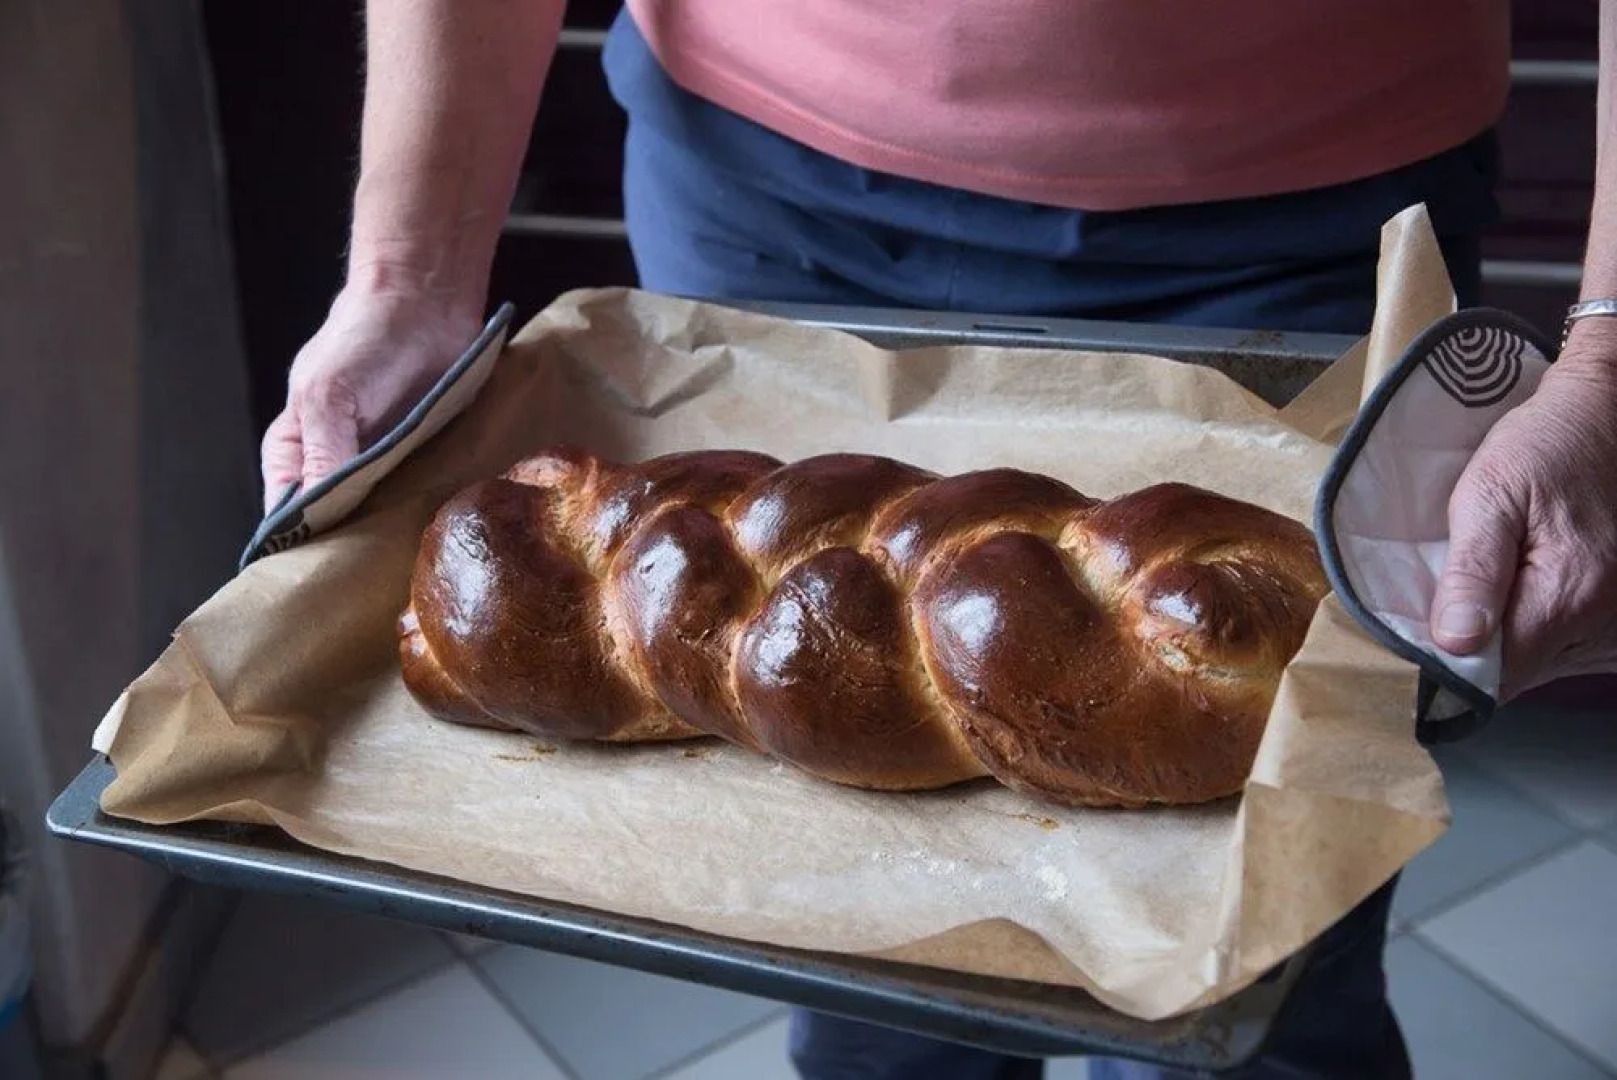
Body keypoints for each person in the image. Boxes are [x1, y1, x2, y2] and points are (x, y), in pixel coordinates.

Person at [260, 3, 1617, 1077]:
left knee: (1268, 987)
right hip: (758, 187)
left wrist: (1611, 356)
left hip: (1308, 206)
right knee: (866, 972)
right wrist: (402, 279)